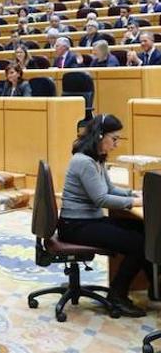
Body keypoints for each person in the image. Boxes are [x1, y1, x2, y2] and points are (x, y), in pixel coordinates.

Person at [58, 114, 151, 317]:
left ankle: (154, 286)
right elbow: (102, 199)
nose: (116, 144)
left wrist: (133, 194)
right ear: (100, 136)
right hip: (76, 226)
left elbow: (109, 188)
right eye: (114, 139)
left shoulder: (96, 159)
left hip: (87, 220)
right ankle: (117, 295)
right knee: (139, 243)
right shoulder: (84, 161)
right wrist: (135, 202)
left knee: (145, 231)